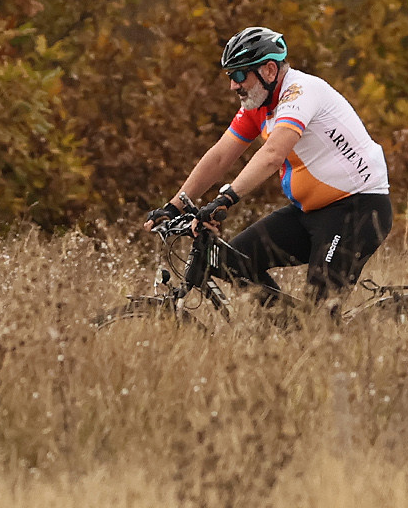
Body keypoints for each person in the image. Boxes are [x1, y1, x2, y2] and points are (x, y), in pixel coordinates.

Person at [145, 26, 394, 304]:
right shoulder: (259, 104)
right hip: (309, 212)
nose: (233, 85)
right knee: (229, 261)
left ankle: (322, 339)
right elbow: (219, 157)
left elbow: (273, 153)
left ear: (269, 71)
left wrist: (226, 198)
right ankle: (286, 330)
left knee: (321, 315)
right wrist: (175, 205)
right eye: (230, 76)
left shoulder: (300, 92)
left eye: (239, 75)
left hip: (357, 210)